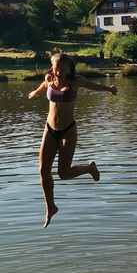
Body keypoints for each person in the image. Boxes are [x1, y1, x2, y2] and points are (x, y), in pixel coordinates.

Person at [28, 52, 117, 227]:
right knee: (43, 171)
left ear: (69, 68)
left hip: (68, 130)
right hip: (50, 129)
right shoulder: (49, 78)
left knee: (63, 173)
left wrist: (109, 89)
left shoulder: (76, 81)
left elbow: (94, 86)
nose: (59, 73)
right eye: (56, 69)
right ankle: (50, 207)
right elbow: (44, 85)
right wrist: (36, 92)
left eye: (62, 70)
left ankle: (90, 168)